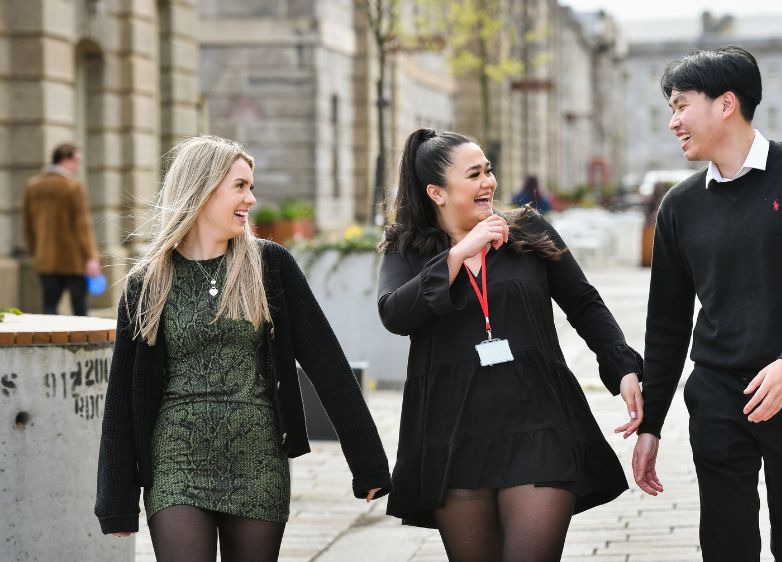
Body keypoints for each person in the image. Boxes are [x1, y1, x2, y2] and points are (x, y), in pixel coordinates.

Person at [95, 135, 391, 561]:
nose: (251, 199)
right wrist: (116, 499)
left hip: (257, 459)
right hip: (175, 461)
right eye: (240, 186)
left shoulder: (270, 265)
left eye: (251, 187)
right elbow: (122, 397)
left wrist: (368, 463)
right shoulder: (148, 282)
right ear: (202, 189)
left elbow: (327, 364)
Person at [633, 46, 782, 561]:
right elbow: (666, 322)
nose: (673, 122)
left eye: (681, 105)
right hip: (716, 396)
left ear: (726, 103)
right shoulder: (680, 206)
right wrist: (651, 425)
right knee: (725, 546)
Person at [378, 128, 643, 561]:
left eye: (488, 170)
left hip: (539, 421)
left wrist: (622, 365)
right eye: (474, 174)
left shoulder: (527, 230)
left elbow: (583, 302)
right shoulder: (406, 248)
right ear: (437, 193)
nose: (489, 182)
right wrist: (458, 254)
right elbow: (395, 315)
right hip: (453, 433)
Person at [22, 142, 100, 315]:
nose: (78, 166)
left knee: (49, 308)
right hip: (74, 259)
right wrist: (91, 257)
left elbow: (28, 226)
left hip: (45, 259)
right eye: (76, 161)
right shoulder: (73, 187)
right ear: (65, 159)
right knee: (80, 311)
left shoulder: (33, 186)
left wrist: (36, 253)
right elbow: (83, 226)